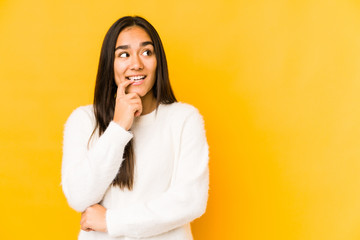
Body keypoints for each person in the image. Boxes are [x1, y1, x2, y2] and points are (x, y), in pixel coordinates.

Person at [61, 16, 209, 239]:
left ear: (158, 60)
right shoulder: (83, 120)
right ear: (109, 64)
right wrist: (118, 127)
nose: (136, 64)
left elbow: (190, 200)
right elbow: (79, 197)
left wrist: (112, 221)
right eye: (123, 54)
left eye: (147, 52)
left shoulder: (184, 119)